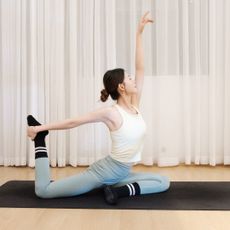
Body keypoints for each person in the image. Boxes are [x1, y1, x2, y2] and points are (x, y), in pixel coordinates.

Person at [27, 12, 170, 205]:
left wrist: (139, 33)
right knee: (44, 191)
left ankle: (118, 192)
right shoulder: (111, 113)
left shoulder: (135, 105)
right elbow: (74, 122)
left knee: (162, 181)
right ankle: (40, 141)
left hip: (121, 172)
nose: (134, 79)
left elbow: (141, 68)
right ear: (121, 87)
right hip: (103, 173)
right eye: (129, 78)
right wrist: (40, 129)